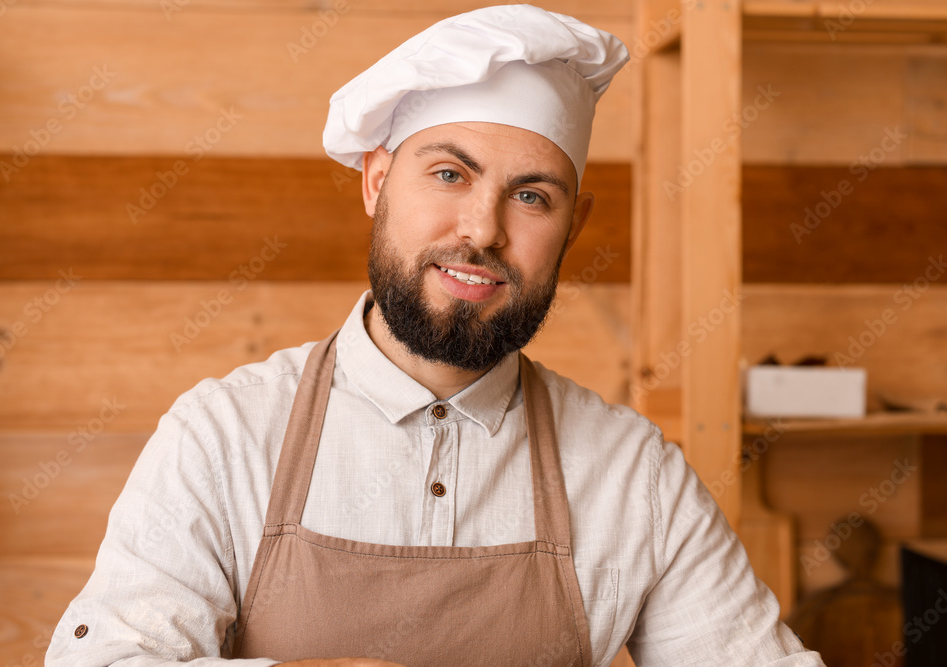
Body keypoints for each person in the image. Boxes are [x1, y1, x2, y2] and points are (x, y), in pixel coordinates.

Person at [47, 5, 824, 666]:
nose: (482, 230)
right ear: (377, 181)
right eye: (449, 174)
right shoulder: (225, 436)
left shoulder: (634, 476)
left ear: (572, 226)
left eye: (530, 196)